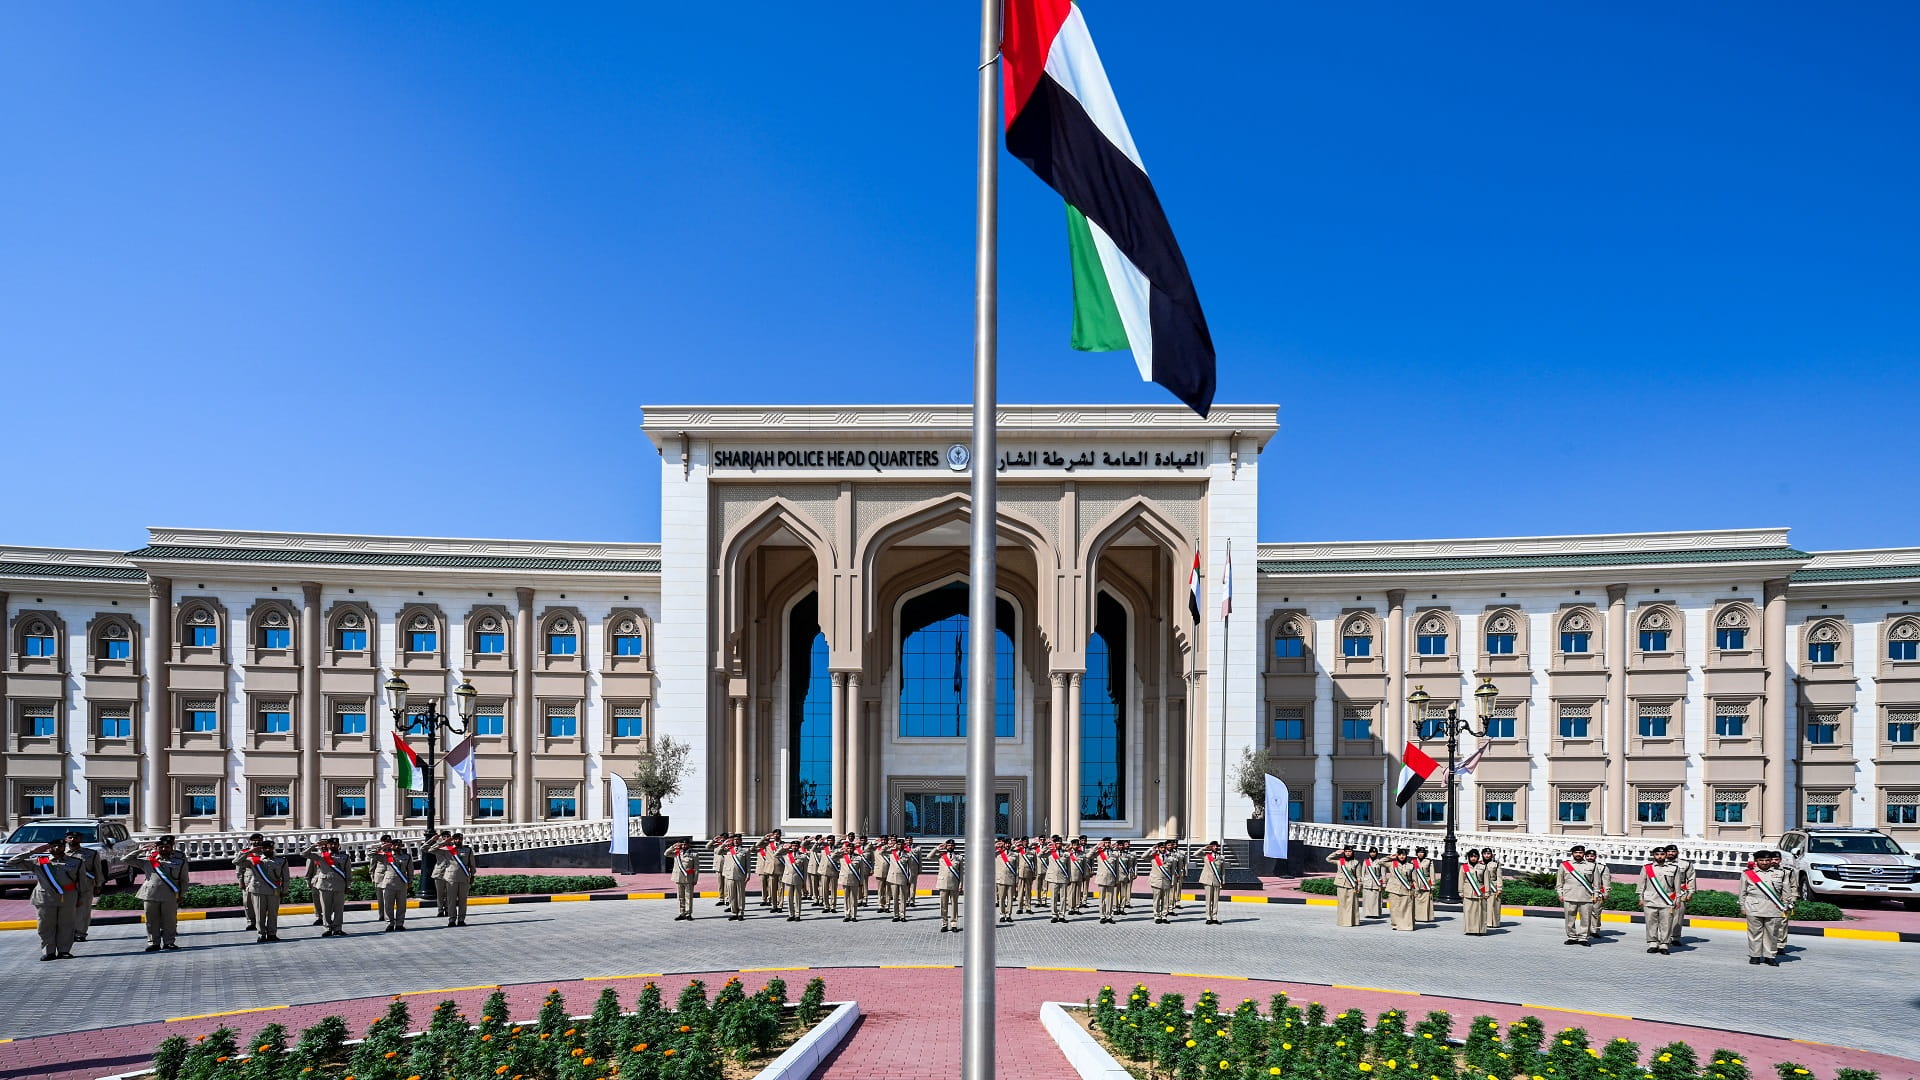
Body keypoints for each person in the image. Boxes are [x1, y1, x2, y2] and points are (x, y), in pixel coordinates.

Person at [28, 837, 82, 960]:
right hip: (45, 898)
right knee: (45, 926)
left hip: (68, 897)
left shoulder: (76, 862)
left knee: (66, 925)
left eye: (60, 846)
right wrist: (33, 851)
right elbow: (12, 862)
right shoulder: (39, 861)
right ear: (49, 848)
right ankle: (49, 952)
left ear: (64, 847)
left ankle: (64, 951)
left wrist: (82, 897)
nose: (57, 848)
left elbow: (82, 881)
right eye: (54, 846)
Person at [1741, 849, 1796, 967]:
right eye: (1761, 860)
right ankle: (1755, 956)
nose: (1765, 863)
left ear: (1771, 861)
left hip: (1774, 907)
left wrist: (1787, 905)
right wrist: (1742, 906)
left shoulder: (1781, 873)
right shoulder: (1748, 874)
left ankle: (1770, 956)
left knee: (1772, 933)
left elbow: (1786, 891)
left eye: (1767, 860)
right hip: (1754, 906)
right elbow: (1743, 892)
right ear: (1756, 861)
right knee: (1754, 933)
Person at [137, 835, 188, 951]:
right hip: (150, 894)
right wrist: (141, 850)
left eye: (167, 847)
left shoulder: (179, 861)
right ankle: (153, 943)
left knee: (170, 920)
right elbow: (126, 860)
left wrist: (182, 894)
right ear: (156, 848)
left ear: (171, 847)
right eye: (161, 847)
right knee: (151, 920)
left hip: (170, 894)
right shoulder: (149, 860)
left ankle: (169, 942)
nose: (164, 849)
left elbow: (184, 879)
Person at [240, 838, 288, 942]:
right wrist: (249, 851)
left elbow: (286, 877)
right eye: (265, 848)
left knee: (273, 914)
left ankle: (272, 934)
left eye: (270, 848)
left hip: (274, 891)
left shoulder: (281, 861)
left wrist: (284, 890)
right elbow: (236, 862)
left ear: (273, 848)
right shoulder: (253, 860)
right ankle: (261, 934)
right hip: (258, 891)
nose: (268, 850)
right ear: (261, 849)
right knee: (259, 914)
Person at [1637, 846, 1681, 955]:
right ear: (1653, 855)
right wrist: (1640, 898)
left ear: (1666, 855)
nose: (1659, 856)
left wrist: (1678, 899)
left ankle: (1664, 944)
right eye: (1657, 854)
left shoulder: (1674, 868)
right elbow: (1641, 884)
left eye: (1662, 854)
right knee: (1651, 923)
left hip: (1667, 900)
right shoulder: (1647, 868)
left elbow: (1677, 886)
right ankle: (1653, 943)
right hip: (1650, 900)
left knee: (1666, 923)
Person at [307, 837, 353, 936]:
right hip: (325, 885)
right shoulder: (321, 856)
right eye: (331, 844)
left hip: (340, 885)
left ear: (339, 845)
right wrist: (315, 845)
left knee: (339, 909)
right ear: (327, 845)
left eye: (335, 844)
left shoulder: (345, 857)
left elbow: (348, 872)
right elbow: (303, 854)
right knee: (326, 909)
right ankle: (327, 928)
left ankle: (337, 928)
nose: (333, 846)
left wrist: (348, 885)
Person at [65, 831, 104, 942]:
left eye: (76, 837)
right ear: (66, 839)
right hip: (66, 887)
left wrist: (98, 884)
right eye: (70, 837)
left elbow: (97, 870)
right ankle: (68, 933)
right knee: (67, 911)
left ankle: (80, 933)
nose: (73, 840)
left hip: (85, 886)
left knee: (83, 911)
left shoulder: (91, 854)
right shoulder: (60, 853)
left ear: (81, 839)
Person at [1556, 846, 1600, 945]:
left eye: (1580, 852)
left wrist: (1596, 894)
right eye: (1576, 852)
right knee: (1569, 918)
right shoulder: (1564, 865)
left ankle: (1583, 938)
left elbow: (1597, 882)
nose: (1578, 854)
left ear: (1584, 853)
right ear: (1572, 853)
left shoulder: (1592, 865)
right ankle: (1572, 937)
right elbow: (1559, 882)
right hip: (1569, 895)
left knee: (1586, 919)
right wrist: (1560, 893)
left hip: (1586, 896)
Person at [371, 835, 413, 932]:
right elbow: (371, 854)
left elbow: (410, 870)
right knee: (388, 905)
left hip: (402, 883)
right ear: (391, 846)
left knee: (402, 906)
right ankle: (390, 923)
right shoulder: (385, 856)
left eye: (399, 845)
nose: (398, 847)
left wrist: (410, 881)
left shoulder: (407, 856)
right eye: (395, 845)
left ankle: (399, 924)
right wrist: (382, 847)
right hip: (388, 883)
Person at [437, 832, 474, 927]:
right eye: (456, 839)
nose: (458, 841)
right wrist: (444, 842)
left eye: (460, 839)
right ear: (453, 840)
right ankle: (452, 920)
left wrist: (472, 875)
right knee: (451, 900)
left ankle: (461, 920)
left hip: (464, 878)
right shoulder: (447, 849)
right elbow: (429, 849)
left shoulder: (468, 850)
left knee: (463, 901)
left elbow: (472, 863)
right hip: (451, 878)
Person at [1326, 845, 1362, 927]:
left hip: (1352, 885)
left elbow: (1359, 876)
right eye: (1346, 851)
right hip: (1341, 884)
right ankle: (1342, 921)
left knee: (1352, 904)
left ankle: (1352, 921)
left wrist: (1359, 886)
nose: (1348, 853)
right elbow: (1328, 859)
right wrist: (1336, 853)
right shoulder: (1340, 861)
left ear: (1352, 852)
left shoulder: (1356, 862)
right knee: (1342, 903)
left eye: (1349, 851)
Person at [1667, 844, 1694, 948]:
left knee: (1678, 916)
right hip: (1664, 893)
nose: (1671, 853)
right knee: (1663, 916)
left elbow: (1691, 878)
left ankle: (1675, 938)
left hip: (1680, 892)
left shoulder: (1685, 864)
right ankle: (1664, 937)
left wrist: (1690, 892)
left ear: (1677, 852)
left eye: (1673, 851)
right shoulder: (1660, 863)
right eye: (1669, 851)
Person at [1383, 848, 1416, 931]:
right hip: (1393, 889)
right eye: (1400, 854)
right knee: (1394, 908)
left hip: (1406, 889)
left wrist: (1415, 890)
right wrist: (1391, 857)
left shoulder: (1411, 866)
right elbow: (1380, 862)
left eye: (1403, 855)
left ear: (1406, 856)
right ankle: (1395, 925)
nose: (1402, 856)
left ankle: (1407, 925)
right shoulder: (1392, 864)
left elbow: (1414, 879)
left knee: (1406, 909)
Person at [935, 839, 964, 932]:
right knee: (943, 906)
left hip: (954, 884)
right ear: (946, 846)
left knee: (954, 905)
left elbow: (961, 873)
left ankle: (954, 924)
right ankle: (944, 924)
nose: (950, 847)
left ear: (954, 846)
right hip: (943, 884)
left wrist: (961, 884)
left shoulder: (959, 857)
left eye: (952, 845)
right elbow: (929, 856)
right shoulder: (941, 856)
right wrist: (937, 848)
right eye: (948, 845)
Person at [238, 832, 266, 931]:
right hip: (248, 881)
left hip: (262, 881)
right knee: (247, 903)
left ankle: (260, 922)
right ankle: (251, 922)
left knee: (260, 904)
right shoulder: (245, 852)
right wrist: (240, 881)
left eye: (259, 840)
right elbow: (239, 869)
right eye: (254, 840)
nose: (257, 842)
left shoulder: (266, 852)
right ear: (250, 841)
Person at [1459, 849, 1489, 936]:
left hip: (1480, 892)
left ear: (1478, 857)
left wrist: (1487, 892)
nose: (1473, 858)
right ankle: (1469, 930)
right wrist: (1460, 891)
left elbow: (1486, 880)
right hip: (1468, 892)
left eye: (1475, 856)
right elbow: (1461, 880)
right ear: (1468, 857)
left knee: (1480, 912)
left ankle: (1479, 930)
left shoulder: (1483, 867)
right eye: (1471, 856)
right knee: (1468, 912)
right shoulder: (1464, 867)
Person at [668, 839, 700, 920]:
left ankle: (688, 914)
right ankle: (682, 913)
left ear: (689, 845)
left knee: (688, 897)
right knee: (680, 897)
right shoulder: (677, 853)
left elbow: (696, 869)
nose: (684, 846)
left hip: (688, 878)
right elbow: (666, 853)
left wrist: (695, 879)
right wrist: (673, 846)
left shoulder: (694, 854)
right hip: (678, 878)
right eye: (682, 844)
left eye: (685, 844)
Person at [1197, 840, 1228, 925]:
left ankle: (1214, 917)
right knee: (1208, 899)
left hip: (1217, 880)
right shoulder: (1206, 855)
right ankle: (1208, 917)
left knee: (1215, 900)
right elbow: (1195, 854)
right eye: (1213, 846)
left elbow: (1223, 871)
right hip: (1207, 880)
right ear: (1210, 847)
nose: (1215, 847)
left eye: (1216, 846)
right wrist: (1204, 848)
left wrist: (1223, 880)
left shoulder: (1221, 857)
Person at [837, 842, 868, 922]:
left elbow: (862, 871)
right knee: (846, 898)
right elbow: (832, 856)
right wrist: (840, 850)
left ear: (854, 849)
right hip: (845, 880)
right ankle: (847, 914)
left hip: (854, 880)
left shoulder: (858, 858)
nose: (850, 850)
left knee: (854, 898)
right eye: (848, 848)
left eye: (851, 848)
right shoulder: (842, 856)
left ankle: (853, 915)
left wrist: (861, 882)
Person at [720, 834, 749, 921]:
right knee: (731, 895)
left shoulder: (745, 851)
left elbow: (748, 864)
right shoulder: (728, 849)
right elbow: (717, 852)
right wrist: (724, 844)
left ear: (741, 841)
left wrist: (748, 875)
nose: (736, 841)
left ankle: (741, 913)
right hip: (730, 875)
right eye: (734, 839)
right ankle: (734, 912)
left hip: (740, 875)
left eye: (738, 839)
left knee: (740, 895)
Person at [1045, 838, 1074, 923]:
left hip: (1063, 878)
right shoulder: (1050, 852)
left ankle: (1062, 915)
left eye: (1060, 843)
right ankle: (1054, 915)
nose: (1058, 845)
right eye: (1057, 843)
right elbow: (1040, 855)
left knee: (1063, 898)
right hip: (1053, 878)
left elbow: (1069, 867)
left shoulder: (1065, 854)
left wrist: (1069, 878)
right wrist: (1047, 846)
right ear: (1054, 844)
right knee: (1053, 898)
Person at [1148, 841, 1177, 924]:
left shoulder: (1171, 858)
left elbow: (1173, 872)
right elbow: (1143, 856)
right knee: (1156, 900)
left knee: (1165, 900)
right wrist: (1151, 849)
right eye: (1161, 847)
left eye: (1164, 847)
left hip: (1166, 882)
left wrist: (1172, 882)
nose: (1163, 849)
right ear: (1158, 848)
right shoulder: (1153, 857)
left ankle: (1164, 916)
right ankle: (1157, 916)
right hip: (1156, 881)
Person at [884, 840, 912, 922]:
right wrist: (888, 846)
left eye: (901, 844)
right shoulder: (891, 853)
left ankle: (902, 915)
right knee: (895, 898)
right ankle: (896, 915)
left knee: (903, 898)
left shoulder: (907, 854)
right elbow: (881, 852)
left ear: (904, 845)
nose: (900, 846)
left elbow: (910, 868)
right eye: (898, 844)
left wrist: (909, 879)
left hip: (903, 877)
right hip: (893, 878)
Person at [994, 838, 1018, 924]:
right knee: (1001, 898)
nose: (1007, 845)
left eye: (1009, 843)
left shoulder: (1015, 855)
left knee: (1010, 899)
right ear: (1003, 844)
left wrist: (1016, 880)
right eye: (1006, 843)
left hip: (1011, 879)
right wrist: (995, 845)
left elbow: (1017, 868)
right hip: (1001, 879)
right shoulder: (997, 854)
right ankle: (1002, 915)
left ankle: (1008, 915)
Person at [781, 841, 807, 921]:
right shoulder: (786, 854)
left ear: (799, 847)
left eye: (796, 846)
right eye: (793, 846)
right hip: (788, 878)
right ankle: (791, 914)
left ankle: (797, 914)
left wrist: (804, 881)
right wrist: (783, 848)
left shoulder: (803, 856)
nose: (794, 847)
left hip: (798, 879)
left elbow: (805, 870)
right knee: (789, 898)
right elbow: (776, 855)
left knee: (798, 898)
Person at [1411, 846, 1436, 924]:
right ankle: (1416, 916)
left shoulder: (1429, 861)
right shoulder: (1413, 861)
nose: (1420, 854)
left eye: (1422, 852)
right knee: (1416, 901)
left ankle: (1425, 917)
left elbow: (1432, 873)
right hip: (1416, 883)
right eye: (1419, 852)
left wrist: (1433, 884)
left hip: (1426, 883)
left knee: (1426, 902)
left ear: (1425, 853)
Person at [1482, 848, 1504, 930]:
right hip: (1483, 886)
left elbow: (1499, 876)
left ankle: (1494, 923)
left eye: (1488, 854)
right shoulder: (1479, 863)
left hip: (1493, 885)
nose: (1486, 855)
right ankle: (1484, 921)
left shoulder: (1496, 863)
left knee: (1494, 905)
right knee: (1483, 905)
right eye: (1485, 854)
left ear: (1491, 854)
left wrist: (1499, 888)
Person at [1017, 838, 1039, 914]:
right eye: (1024, 841)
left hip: (1029, 874)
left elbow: (1035, 864)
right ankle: (1020, 908)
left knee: (1028, 892)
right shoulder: (1018, 851)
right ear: (1022, 842)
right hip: (1020, 874)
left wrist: (1035, 873)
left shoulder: (1032, 851)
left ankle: (1028, 907)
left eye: (1027, 841)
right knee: (1020, 892)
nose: (1026, 843)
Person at [1361, 848, 1385, 918]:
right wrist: (1362, 882)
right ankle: (1367, 913)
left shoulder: (1380, 862)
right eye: (1371, 852)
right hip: (1367, 882)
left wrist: (1384, 883)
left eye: (1374, 852)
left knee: (1376, 899)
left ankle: (1375, 914)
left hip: (1376, 883)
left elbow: (1383, 874)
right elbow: (1363, 873)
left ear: (1376, 853)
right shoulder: (1366, 861)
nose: (1372, 853)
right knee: (1367, 899)